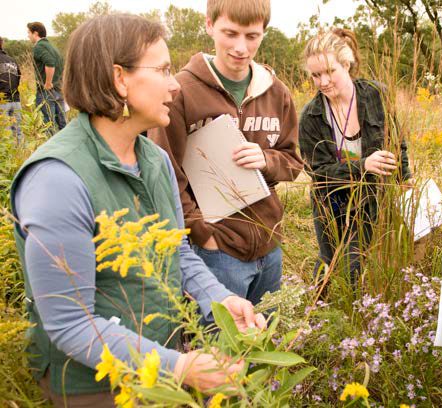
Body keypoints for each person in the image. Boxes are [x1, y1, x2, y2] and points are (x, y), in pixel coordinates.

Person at [11, 14, 265, 406]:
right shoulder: (57, 180)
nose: (175, 83)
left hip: (158, 360)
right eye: (163, 69)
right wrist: (179, 368)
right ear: (119, 78)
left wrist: (220, 300)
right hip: (94, 385)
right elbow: (70, 323)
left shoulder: (156, 159)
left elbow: (176, 251)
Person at [150, 0, 302, 311]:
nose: (240, 47)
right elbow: (165, 172)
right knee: (221, 348)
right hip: (217, 252)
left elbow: (293, 161)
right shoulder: (180, 91)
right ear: (209, 25)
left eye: (252, 36)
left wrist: (267, 160)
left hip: (269, 244)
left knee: (263, 341)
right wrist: (203, 234)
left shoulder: (276, 91)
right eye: (230, 33)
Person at [299, 29, 411, 284]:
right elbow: (318, 173)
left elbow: (398, 141)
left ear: (346, 64)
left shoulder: (376, 94)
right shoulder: (311, 116)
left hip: (374, 195)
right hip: (333, 201)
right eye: (316, 75)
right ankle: (318, 310)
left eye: (330, 72)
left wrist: (405, 180)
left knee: (370, 259)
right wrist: (364, 166)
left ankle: (370, 308)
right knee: (332, 260)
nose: (323, 81)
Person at [27, 21, 66, 132]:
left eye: (29, 33)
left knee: (48, 125)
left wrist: (48, 82)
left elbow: (50, 63)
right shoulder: (53, 47)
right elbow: (62, 66)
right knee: (62, 125)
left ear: (35, 33)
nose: (28, 36)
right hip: (59, 91)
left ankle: (52, 149)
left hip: (46, 92)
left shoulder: (39, 47)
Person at [0, 36, 22, 143]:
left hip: (2, 102)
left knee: (5, 134)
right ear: (2, 44)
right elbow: (18, 78)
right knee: (18, 131)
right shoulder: (12, 60)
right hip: (16, 99)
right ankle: (23, 156)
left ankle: (9, 159)